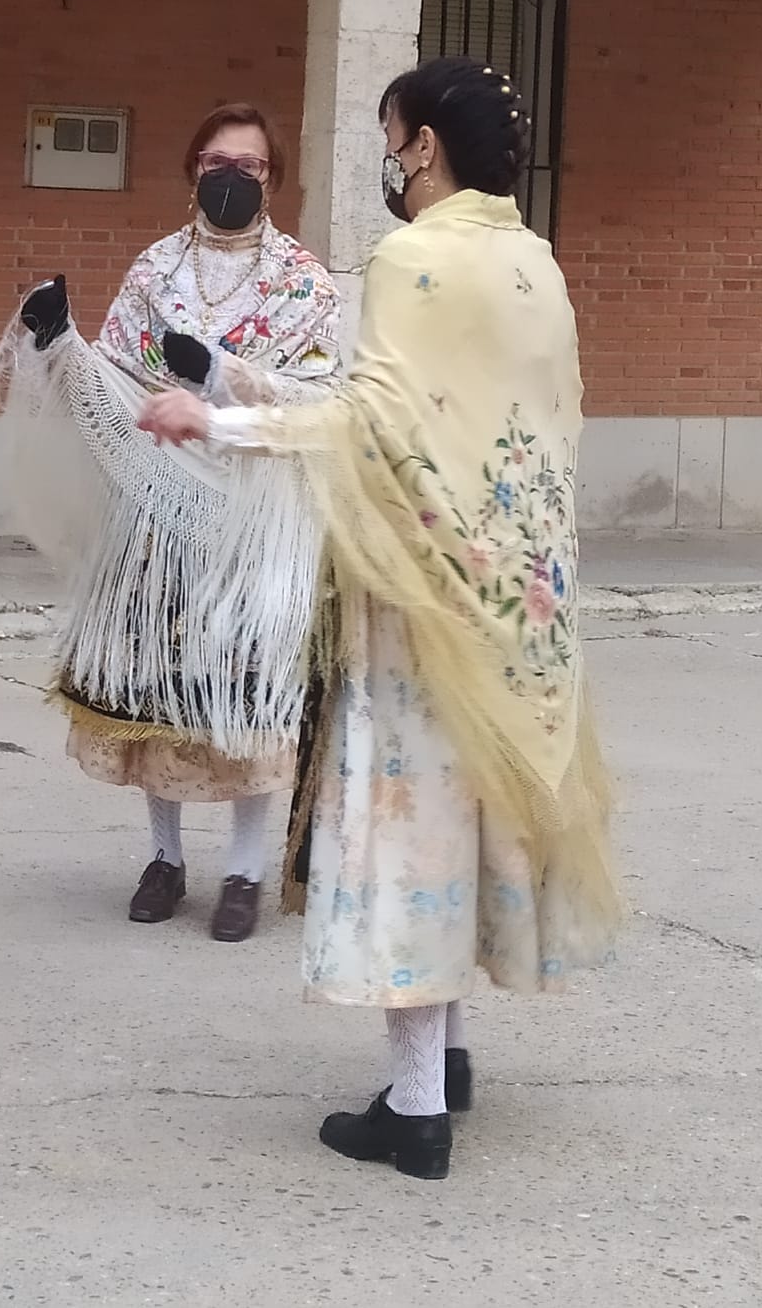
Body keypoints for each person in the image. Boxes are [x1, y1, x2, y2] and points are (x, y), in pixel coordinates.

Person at [138, 57, 621, 1180]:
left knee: (404, 829)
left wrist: (215, 423)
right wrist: (246, 386)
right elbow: (531, 420)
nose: (388, 158)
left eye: (391, 134)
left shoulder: (411, 257)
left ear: (425, 147)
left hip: (419, 593)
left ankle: (411, 1110)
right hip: (519, 593)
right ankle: (446, 1057)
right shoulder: (530, 258)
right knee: (468, 816)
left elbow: (373, 431)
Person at [0, 103, 341, 943]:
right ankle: (164, 858)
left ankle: (245, 871)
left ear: (273, 178)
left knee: (244, 695)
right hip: (156, 509)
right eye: (218, 160)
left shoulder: (304, 281)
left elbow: (327, 397)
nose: (232, 177)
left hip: (253, 515)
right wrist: (61, 347)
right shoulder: (154, 271)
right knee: (159, 686)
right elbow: (116, 385)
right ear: (193, 166)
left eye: (250, 166)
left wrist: (223, 375)